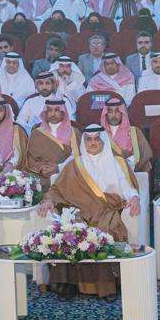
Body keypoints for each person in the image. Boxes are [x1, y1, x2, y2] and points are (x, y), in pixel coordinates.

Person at [35, 124, 141, 299]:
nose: (93, 143)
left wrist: (134, 197)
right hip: (79, 211)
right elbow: (57, 189)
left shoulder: (117, 163)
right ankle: (68, 284)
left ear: (103, 141)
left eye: (97, 139)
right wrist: (48, 200)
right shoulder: (74, 165)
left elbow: (127, 187)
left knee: (104, 232)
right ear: (83, 142)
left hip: (105, 211)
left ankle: (105, 286)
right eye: (89, 139)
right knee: (69, 231)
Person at [21, 100, 74, 186]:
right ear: (45, 113)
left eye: (56, 110)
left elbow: (77, 157)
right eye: (49, 110)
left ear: (63, 112)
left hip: (65, 173)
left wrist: (58, 167)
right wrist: (40, 168)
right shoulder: (37, 132)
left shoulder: (74, 132)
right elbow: (30, 158)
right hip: (41, 174)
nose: (53, 114)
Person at [98, 96, 152, 173]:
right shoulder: (99, 134)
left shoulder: (135, 132)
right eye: (110, 111)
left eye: (117, 111)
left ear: (122, 113)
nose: (114, 115)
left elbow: (145, 157)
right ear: (106, 114)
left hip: (131, 172)